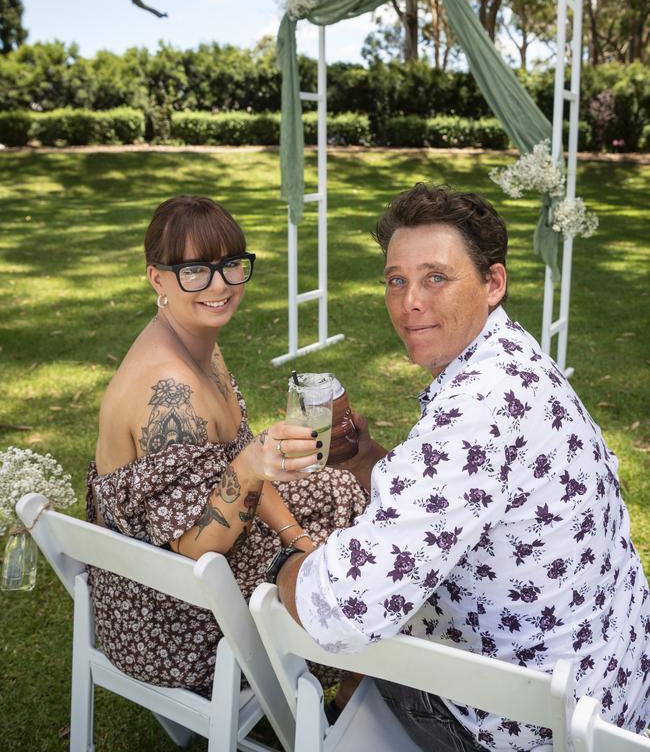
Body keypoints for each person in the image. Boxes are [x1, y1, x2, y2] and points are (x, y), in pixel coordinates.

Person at [274, 183, 650, 752]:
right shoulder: (514, 357)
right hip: (613, 687)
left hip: (534, 728)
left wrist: (285, 563)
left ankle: (346, 721)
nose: (409, 303)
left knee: (366, 638)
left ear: (492, 283)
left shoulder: (477, 411)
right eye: (396, 280)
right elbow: (467, 492)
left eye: (435, 278)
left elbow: (347, 610)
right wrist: (371, 460)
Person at [87, 194, 367, 696]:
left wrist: (294, 534)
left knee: (341, 491)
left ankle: (356, 671)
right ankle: (360, 678)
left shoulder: (195, 340)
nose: (220, 285)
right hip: (174, 624)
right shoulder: (168, 393)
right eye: (195, 270)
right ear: (158, 278)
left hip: (175, 579)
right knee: (355, 568)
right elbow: (197, 548)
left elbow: (233, 462)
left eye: (231, 266)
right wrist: (251, 467)